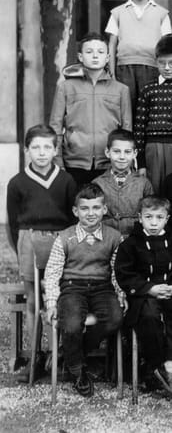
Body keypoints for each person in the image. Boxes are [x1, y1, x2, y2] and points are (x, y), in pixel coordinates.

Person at [6, 124, 77, 382]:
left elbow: (74, 217)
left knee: (61, 298)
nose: (42, 152)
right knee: (34, 300)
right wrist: (21, 249)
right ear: (27, 150)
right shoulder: (17, 182)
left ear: (56, 150)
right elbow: (13, 223)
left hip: (60, 239)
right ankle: (36, 356)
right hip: (29, 239)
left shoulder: (66, 180)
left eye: (47, 147)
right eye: (35, 147)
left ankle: (60, 356)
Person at [43, 183, 125, 397]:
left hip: (102, 287)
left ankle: (71, 354)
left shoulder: (114, 237)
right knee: (71, 324)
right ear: (75, 211)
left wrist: (120, 293)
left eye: (96, 208)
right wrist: (51, 303)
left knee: (114, 318)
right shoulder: (65, 237)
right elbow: (52, 273)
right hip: (73, 287)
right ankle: (77, 370)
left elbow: (117, 271)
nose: (91, 213)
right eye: (85, 208)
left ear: (104, 209)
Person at [115, 196, 172, 399]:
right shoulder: (130, 244)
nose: (153, 223)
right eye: (148, 217)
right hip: (145, 293)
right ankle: (156, 367)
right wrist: (149, 288)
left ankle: (171, 372)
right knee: (149, 316)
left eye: (159, 217)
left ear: (167, 219)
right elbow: (125, 274)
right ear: (139, 218)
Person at [49, 32, 132, 187]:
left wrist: (126, 162)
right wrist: (58, 161)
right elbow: (55, 127)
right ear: (80, 57)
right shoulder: (66, 87)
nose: (95, 56)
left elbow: (127, 130)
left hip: (109, 163)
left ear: (107, 57)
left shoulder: (121, 90)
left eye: (100, 52)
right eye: (89, 52)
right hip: (73, 162)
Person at [133, 35, 172, 194]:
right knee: (153, 191)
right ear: (156, 62)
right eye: (162, 63)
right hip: (152, 148)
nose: (167, 67)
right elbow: (139, 128)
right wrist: (141, 162)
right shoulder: (148, 89)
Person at [105, 0, 171, 107]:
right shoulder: (117, 13)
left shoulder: (162, 14)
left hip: (152, 68)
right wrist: (112, 74)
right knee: (125, 108)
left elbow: (166, 47)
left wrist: (164, 73)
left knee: (149, 107)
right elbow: (112, 44)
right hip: (124, 68)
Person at [93, 129, 155, 238]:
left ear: (135, 153)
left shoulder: (143, 183)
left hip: (136, 239)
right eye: (116, 151)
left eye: (127, 152)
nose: (122, 157)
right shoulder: (98, 183)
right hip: (106, 238)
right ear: (107, 152)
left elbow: (151, 214)